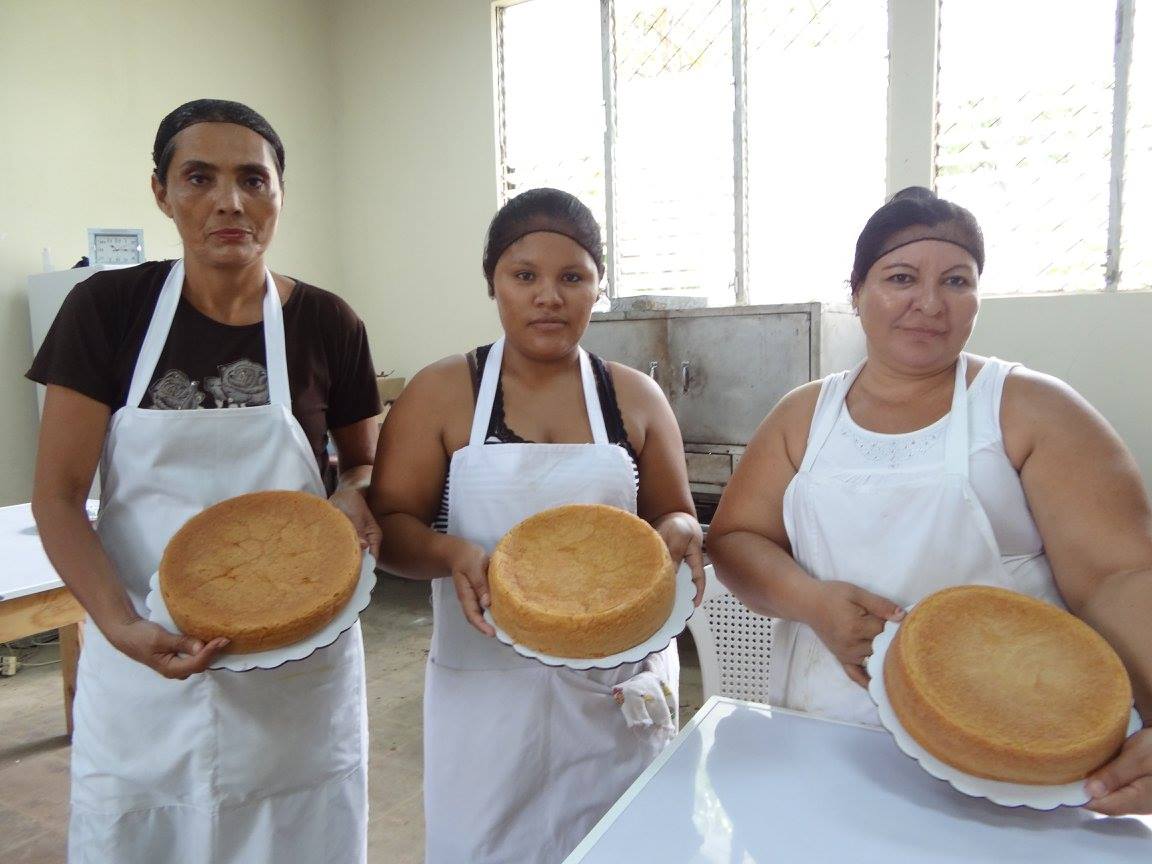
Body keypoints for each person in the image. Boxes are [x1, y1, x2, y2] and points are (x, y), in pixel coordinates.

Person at [707, 186, 1152, 816]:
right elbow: (733, 541)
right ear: (857, 293)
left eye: (956, 281)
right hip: (827, 733)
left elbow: (1120, 577)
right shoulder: (803, 416)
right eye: (901, 277)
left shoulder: (1030, 409)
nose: (928, 303)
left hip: (1014, 750)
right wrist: (813, 602)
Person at [28, 99, 382, 862]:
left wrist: (355, 486)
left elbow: (363, 459)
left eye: (253, 179)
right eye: (200, 177)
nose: (230, 202)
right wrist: (120, 625)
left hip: (298, 669)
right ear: (160, 191)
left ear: (281, 193)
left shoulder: (327, 322)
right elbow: (57, 495)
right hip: (145, 657)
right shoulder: (108, 310)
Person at [367, 187, 705, 862]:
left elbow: (674, 512)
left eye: (572, 277)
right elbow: (391, 525)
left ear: (597, 287)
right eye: (525, 276)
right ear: (492, 282)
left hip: (611, 684)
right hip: (487, 685)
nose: (548, 296)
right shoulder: (443, 391)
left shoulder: (633, 396)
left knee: (619, 843)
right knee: (485, 842)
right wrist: (450, 552)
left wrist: (680, 532)